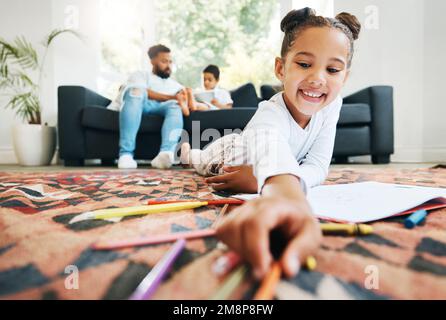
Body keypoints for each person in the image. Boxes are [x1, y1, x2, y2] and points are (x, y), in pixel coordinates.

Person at [181, 8, 361, 279]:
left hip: (263, 167)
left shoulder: (332, 105)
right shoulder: (269, 113)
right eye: (304, 64)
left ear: (344, 77)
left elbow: (319, 166)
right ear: (281, 68)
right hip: (231, 154)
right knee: (202, 161)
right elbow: (269, 145)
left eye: (332, 69)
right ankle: (188, 153)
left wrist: (262, 180)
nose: (318, 78)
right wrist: (283, 192)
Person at [107, 44, 189, 170]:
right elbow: (142, 91)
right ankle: (126, 154)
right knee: (136, 91)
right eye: (164, 61)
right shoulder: (140, 75)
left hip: (161, 108)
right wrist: (172, 97)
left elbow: (185, 103)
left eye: (170, 62)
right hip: (139, 104)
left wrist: (178, 99)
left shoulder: (175, 85)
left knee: (175, 106)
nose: (168, 65)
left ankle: (166, 154)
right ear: (152, 61)